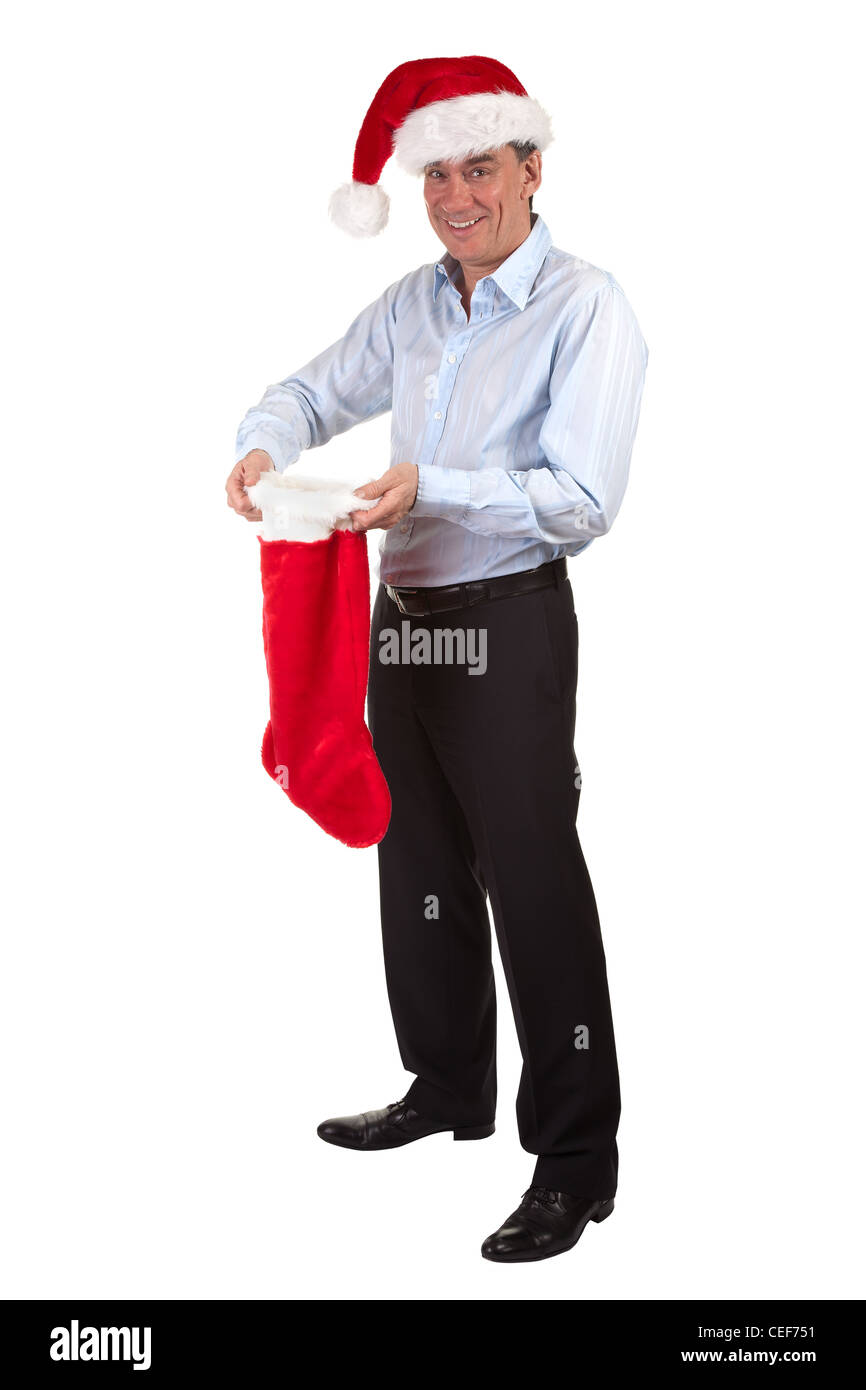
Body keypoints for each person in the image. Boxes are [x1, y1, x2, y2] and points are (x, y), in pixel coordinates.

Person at [226, 55, 649, 1262]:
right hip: (403, 621)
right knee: (408, 854)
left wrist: (433, 485)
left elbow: (581, 496)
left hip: (509, 620)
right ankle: (447, 1084)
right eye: (436, 175)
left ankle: (574, 1160)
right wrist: (262, 447)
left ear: (529, 166)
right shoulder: (415, 303)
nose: (456, 196)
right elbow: (312, 389)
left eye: (479, 167)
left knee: (532, 882)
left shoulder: (587, 305)